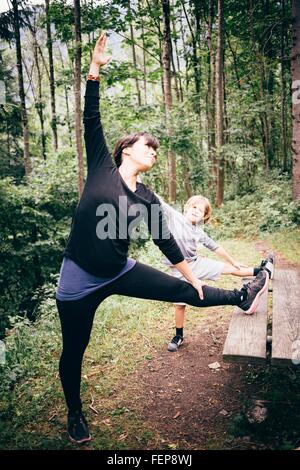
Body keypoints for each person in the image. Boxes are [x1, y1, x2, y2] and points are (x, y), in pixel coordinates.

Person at [55, 33, 269, 445]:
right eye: (147, 146)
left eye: (155, 148)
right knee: (75, 349)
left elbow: (167, 244)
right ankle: (75, 413)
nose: (153, 151)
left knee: (186, 289)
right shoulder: (101, 165)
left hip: (119, 271)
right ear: (126, 150)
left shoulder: (147, 197)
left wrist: (191, 278)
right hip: (79, 280)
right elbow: (90, 118)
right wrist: (94, 71)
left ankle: (241, 295)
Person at [155, 194, 275, 352]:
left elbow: (215, 247)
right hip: (177, 269)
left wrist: (233, 261)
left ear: (204, 217)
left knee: (232, 270)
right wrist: (134, 177)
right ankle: (179, 335)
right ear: (186, 207)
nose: (196, 211)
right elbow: (159, 201)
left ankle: (263, 270)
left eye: (201, 211)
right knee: (179, 306)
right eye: (194, 207)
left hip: (196, 264)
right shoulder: (174, 216)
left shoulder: (198, 231)